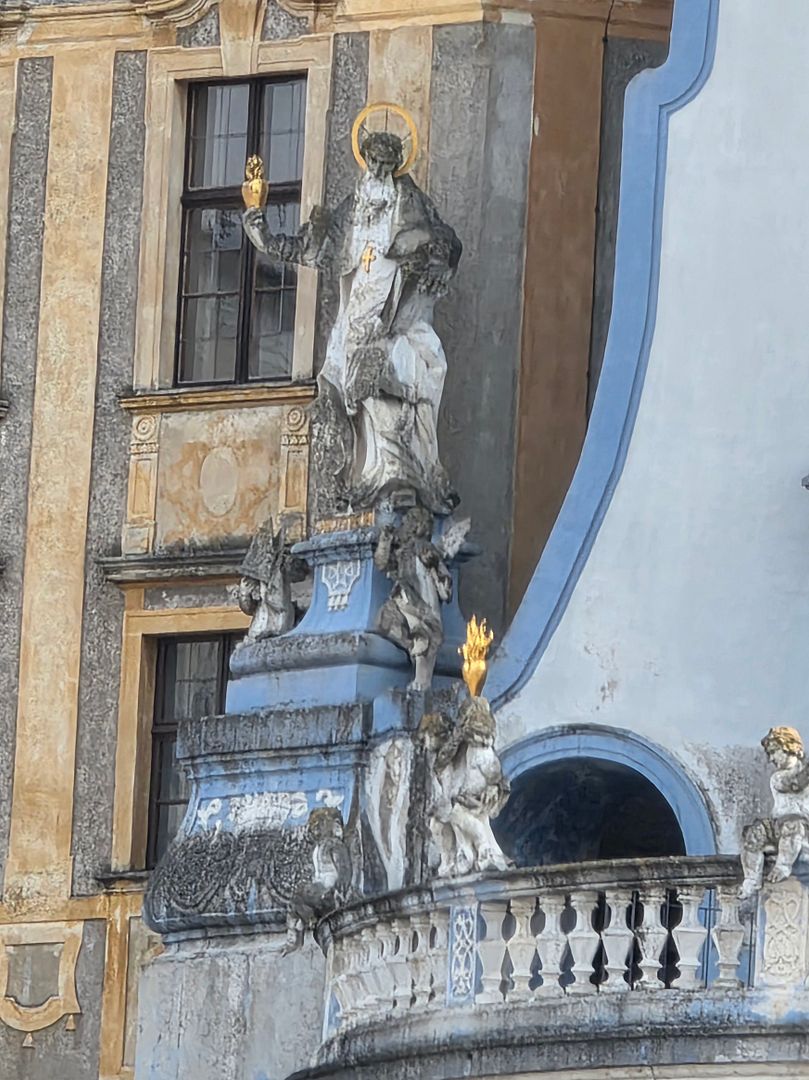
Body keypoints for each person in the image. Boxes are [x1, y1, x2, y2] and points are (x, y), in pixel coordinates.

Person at [241, 128, 461, 513]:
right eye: (373, 162)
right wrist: (261, 231)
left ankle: (392, 475)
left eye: (386, 165)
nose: (378, 170)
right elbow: (308, 247)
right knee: (342, 390)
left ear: (395, 166)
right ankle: (361, 479)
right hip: (354, 318)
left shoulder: (408, 203)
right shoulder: (352, 210)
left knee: (382, 386)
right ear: (366, 162)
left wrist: (434, 261)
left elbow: (445, 241)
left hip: (394, 319)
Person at [739, 726, 809, 899]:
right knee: (754, 833)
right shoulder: (778, 777)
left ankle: (783, 866)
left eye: (774, 752)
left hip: (803, 828)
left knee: (793, 824)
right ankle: (751, 879)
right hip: (778, 826)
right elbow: (795, 783)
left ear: (790, 747)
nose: (771, 759)